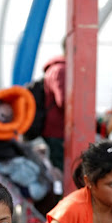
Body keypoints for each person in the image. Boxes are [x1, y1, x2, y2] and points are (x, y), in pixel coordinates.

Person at [41, 44, 66, 173]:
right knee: (60, 169)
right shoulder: (61, 70)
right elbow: (63, 101)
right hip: (58, 130)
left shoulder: (54, 68)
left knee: (57, 167)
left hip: (53, 129)